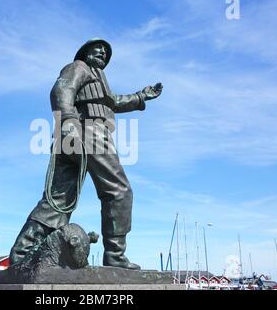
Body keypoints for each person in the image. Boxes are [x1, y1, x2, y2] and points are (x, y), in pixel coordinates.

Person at [10, 38, 163, 270]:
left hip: (70, 135)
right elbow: (61, 89)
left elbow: (114, 102)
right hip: (87, 131)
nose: (102, 52)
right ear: (85, 53)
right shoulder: (78, 67)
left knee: (59, 199)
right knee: (119, 191)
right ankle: (115, 255)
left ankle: (21, 253)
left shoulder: (99, 81)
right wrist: (69, 121)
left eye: (105, 51)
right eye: (96, 49)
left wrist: (141, 96)